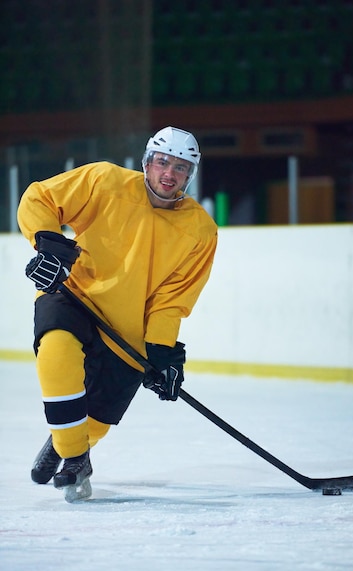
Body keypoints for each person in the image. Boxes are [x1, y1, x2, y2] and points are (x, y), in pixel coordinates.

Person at [17, 126, 218, 502]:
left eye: (180, 167)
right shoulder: (104, 181)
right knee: (55, 356)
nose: (168, 173)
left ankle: (68, 442)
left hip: (127, 329)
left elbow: (171, 299)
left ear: (190, 176)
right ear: (146, 162)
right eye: (162, 162)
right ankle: (76, 456)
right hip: (73, 295)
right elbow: (40, 198)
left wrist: (160, 350)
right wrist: (47, 243)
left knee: (100, 417)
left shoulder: (201, 230)